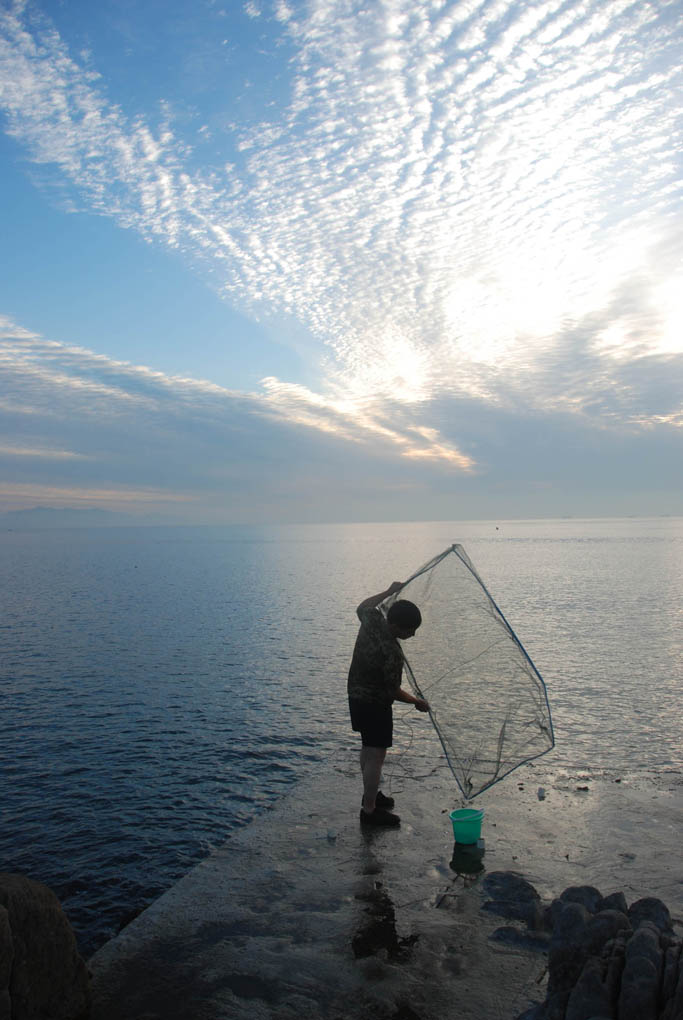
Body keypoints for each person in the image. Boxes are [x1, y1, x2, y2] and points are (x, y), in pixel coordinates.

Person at [347, 581, 429, 827]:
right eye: (409, 630)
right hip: (375, 704)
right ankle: (369, 812)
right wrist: (416, 702)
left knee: (367, 748)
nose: (411, 635)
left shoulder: (372, 620)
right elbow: (392, 691)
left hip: (355, 696)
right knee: (376, 755)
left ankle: (369, 795)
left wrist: (388, 591)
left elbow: (362, 607)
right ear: (394, 625)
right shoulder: (392, 652)